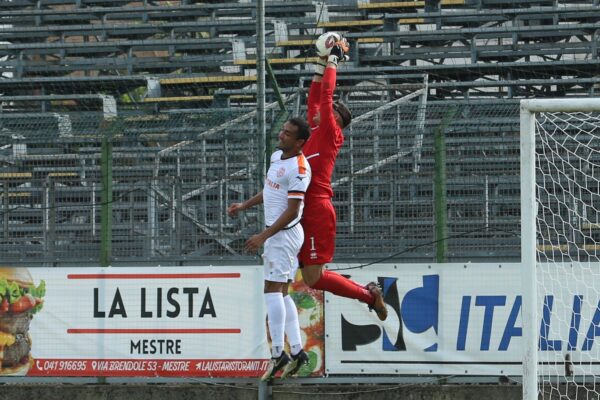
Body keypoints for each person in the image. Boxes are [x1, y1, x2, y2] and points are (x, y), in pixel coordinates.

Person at [298, 36, 388, 321]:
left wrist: (333, 60)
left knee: (313, 278)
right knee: (301, 274)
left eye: (331, 108)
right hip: (301, 208)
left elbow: (324, 97)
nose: (321, 110)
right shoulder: (316, 132)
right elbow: (315, 99)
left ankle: (368, 296)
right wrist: (319, 64)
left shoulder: (331, 133)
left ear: (336, 118)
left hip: (316, 211)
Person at [227, 117, 312, 381]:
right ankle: (297, 350)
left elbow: (293, 209)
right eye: (282, 131)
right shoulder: (277, 157)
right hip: (277, 236)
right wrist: (244, 206)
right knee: (281, 292)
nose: (281, 135)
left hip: (283, 236)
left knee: (271, 290)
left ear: (299, 142)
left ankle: (278, 353)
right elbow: (270, 191)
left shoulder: (300, 168)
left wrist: (263, 236)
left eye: (287, 134)